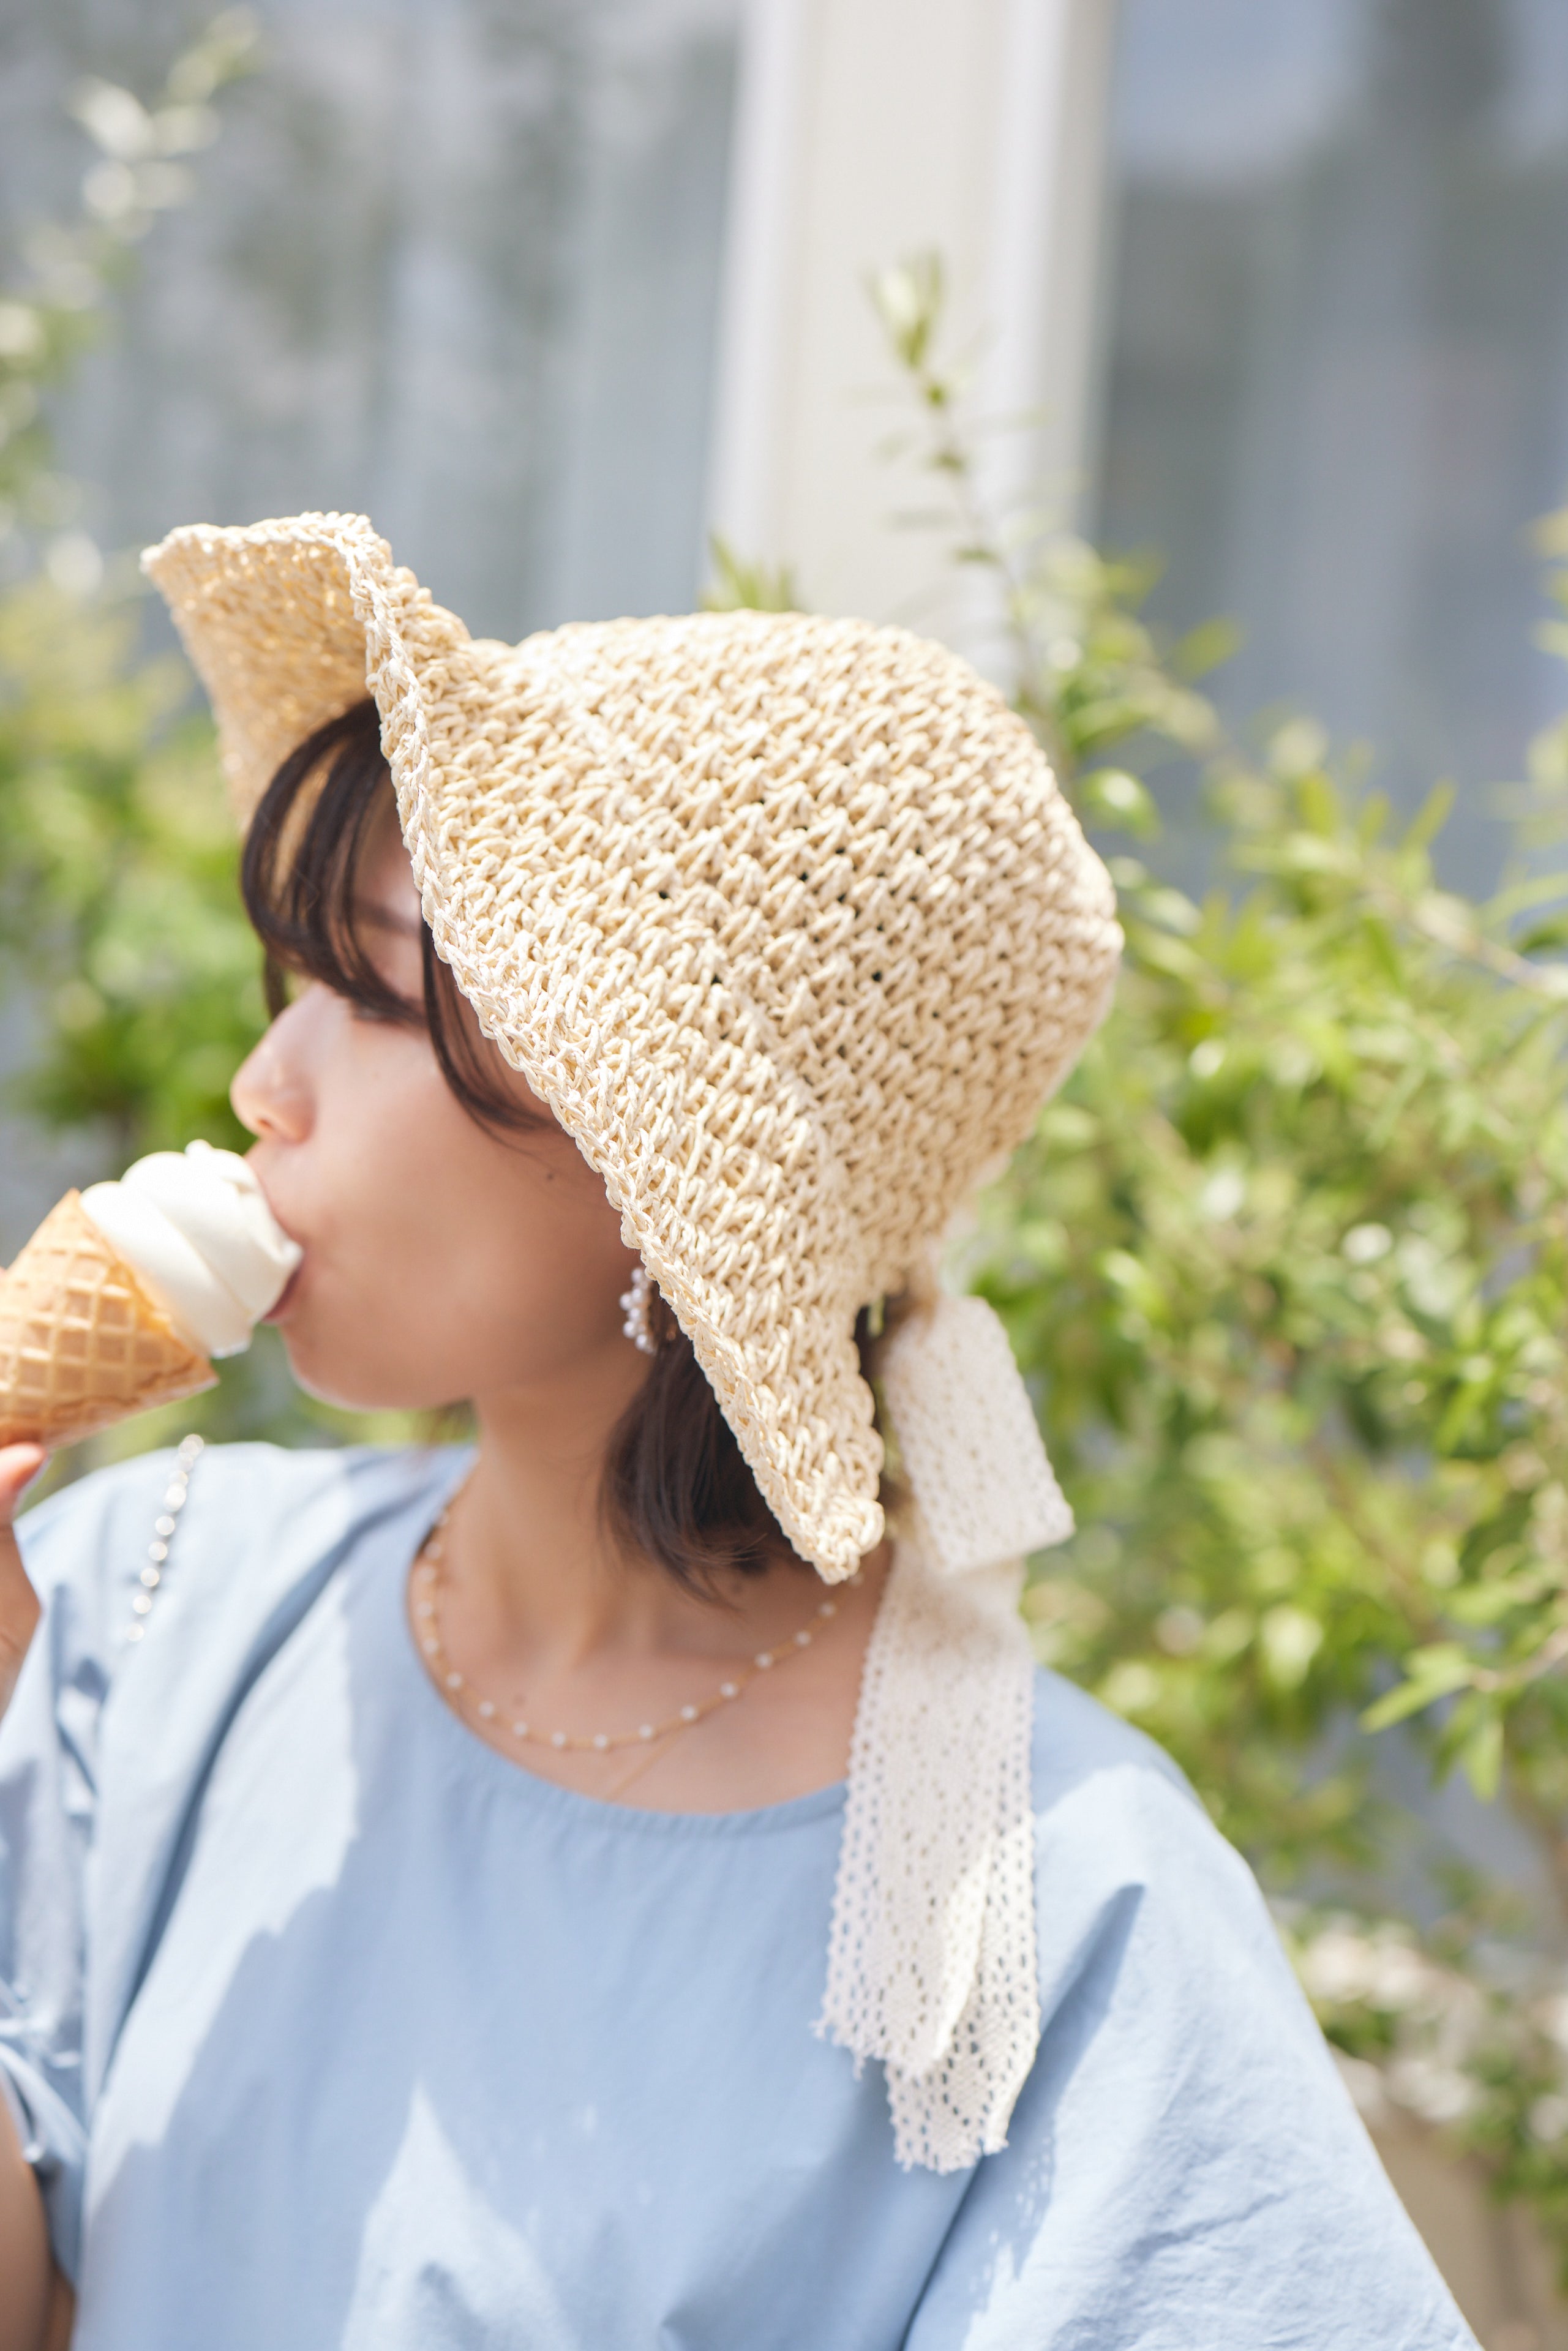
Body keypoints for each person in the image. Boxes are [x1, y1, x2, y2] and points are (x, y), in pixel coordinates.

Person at [0, 514, 1474, 2350]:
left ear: (659, 1165)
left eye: (377, 997)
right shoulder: (136, 1613)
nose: (263, 1083)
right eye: (296, 979)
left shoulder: (1042, 1906)